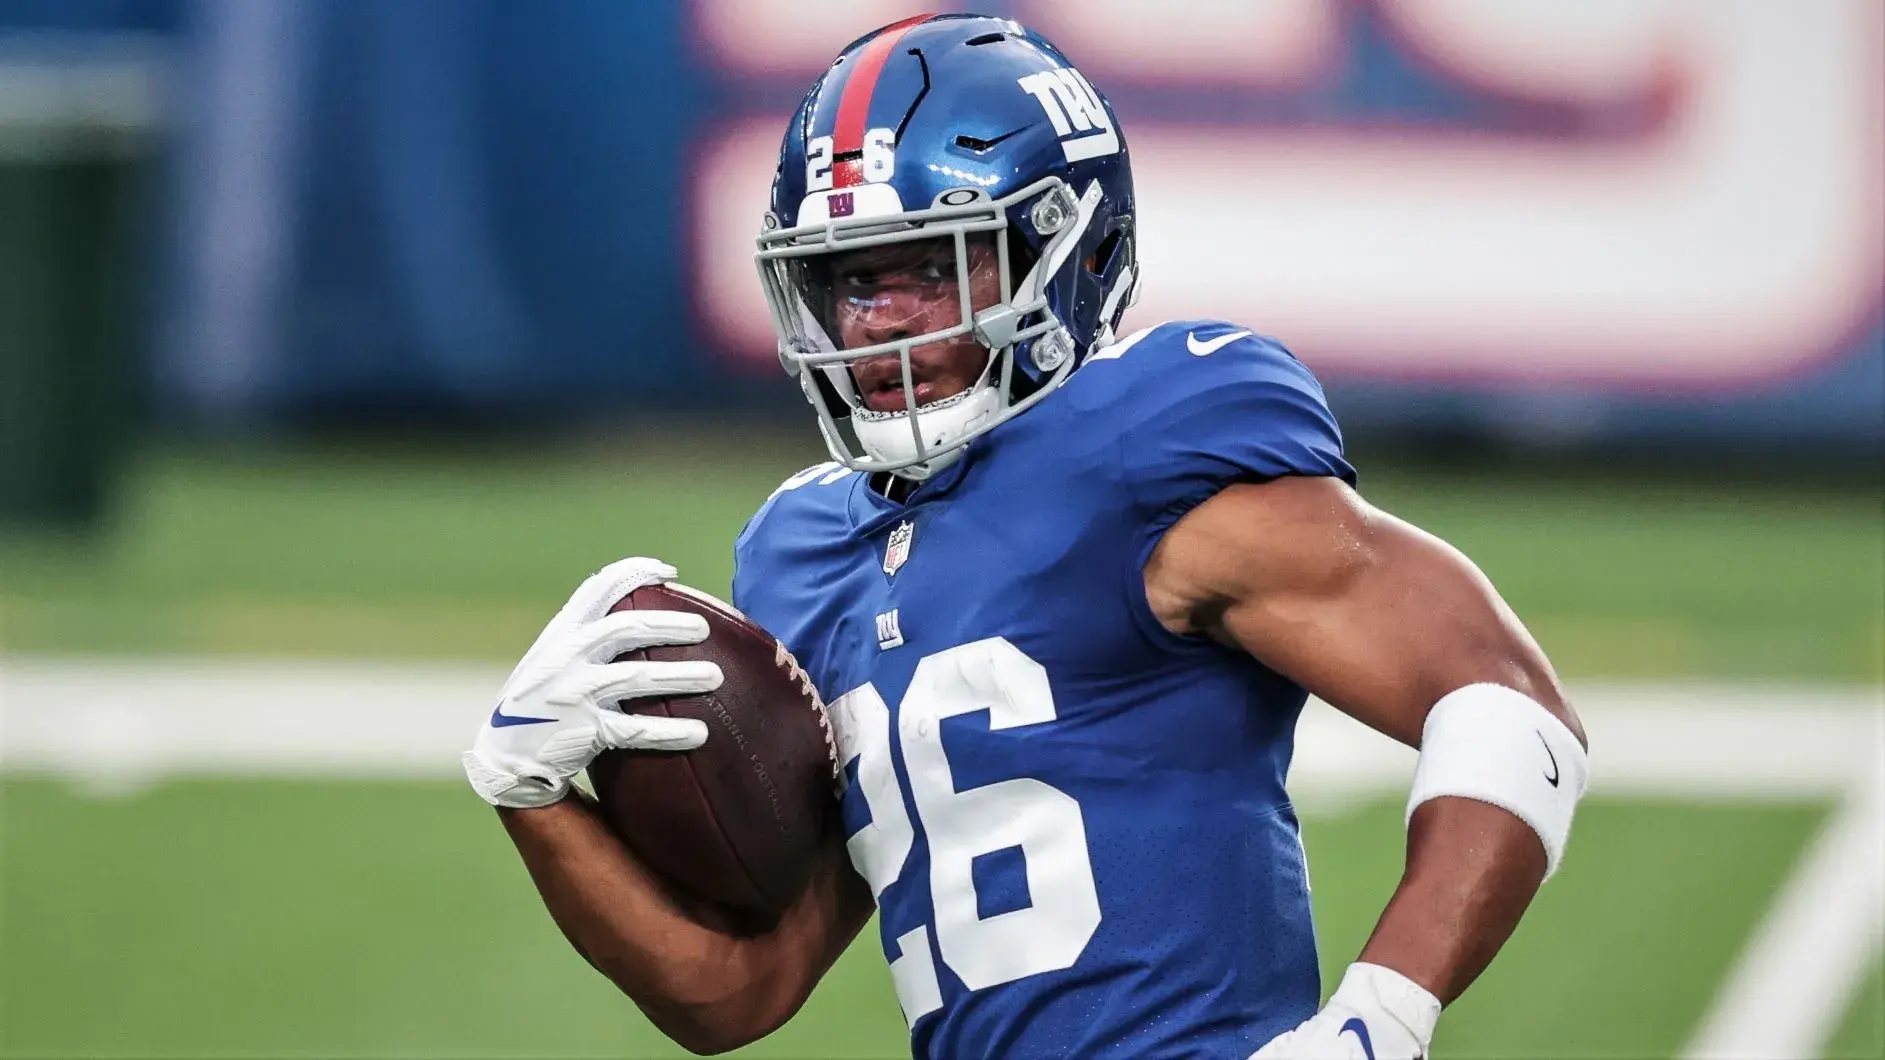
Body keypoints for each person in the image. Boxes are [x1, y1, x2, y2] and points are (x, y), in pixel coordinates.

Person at [461, 14, 1589, 1059]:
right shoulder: (802, 554)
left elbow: (1507, 711)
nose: (884, 319)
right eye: (852, 282)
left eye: (930, 265)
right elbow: (738, 991)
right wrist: (531, 795)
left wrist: (1378, 1015)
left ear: (1072, 250)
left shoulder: (1148, 450)